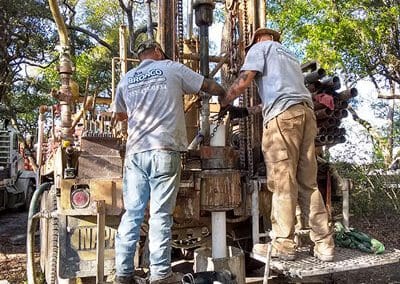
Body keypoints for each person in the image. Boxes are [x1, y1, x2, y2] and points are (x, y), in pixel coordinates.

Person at [113, 39, 226, 284]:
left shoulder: (126, 79)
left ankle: (123, 273)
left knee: (132, 214)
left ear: (140, 56)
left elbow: (120, 115)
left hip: (135, 154)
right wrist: (225, 92)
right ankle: (161, 275)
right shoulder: (171, 68)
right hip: (164, 150)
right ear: (157, 52)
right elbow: (205, 85)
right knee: (160, 215)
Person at [221, 28, 334, 262]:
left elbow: (243, 82)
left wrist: (224, 100)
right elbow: (281, 96)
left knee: (283, 181)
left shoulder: (260, 48)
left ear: (257, 41)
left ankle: (283, 244)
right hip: (305, 116)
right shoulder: (289, 56)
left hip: (283, 120)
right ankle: (324, 244)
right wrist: (246, 110)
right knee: (308, 183)